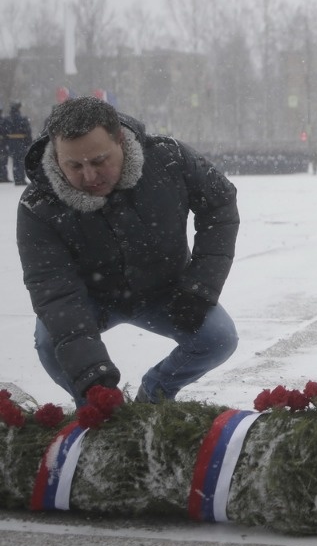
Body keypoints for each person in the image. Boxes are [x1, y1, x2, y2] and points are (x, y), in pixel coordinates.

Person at [17, 96, 240, 406]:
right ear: (56, 157)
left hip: (165, 290)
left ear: (120, 140)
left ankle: (154, 394)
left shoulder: (168, 159)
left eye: (98, 161)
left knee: (218, 339)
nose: (89, 176)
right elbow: (53, 289)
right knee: (52, 344)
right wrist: (90, 374)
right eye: (74, 165)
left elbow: (219, 205)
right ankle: (100, 413)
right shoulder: (38, 206)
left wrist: (200, 287)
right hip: (90, 299)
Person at [6, 101, 32, 186]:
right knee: (20, 160)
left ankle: (17, 179)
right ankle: (20, 179)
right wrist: (29, 142)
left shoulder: (8, 119)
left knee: (15, 161)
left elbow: (4, 132)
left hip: (12, 143)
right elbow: (27, 131)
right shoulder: (22, 119)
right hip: (21, 142)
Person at [0, 106, 9, 182]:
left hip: (3, 143)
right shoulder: (3, 121)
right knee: (3, 161)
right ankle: (3, 176)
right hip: (2, 143)